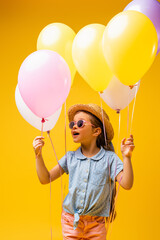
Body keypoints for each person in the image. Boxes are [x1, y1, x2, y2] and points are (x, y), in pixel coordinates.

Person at [33, 103, 135, 240]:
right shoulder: (70, 157)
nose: (74, 126)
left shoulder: (110, 159)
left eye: (80, 123)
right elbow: (46, 178)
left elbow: (127, 184)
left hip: (96, 223)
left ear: (96, 131)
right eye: (72, 124)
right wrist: (38, 156)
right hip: (71, 221)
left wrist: (126, 157)